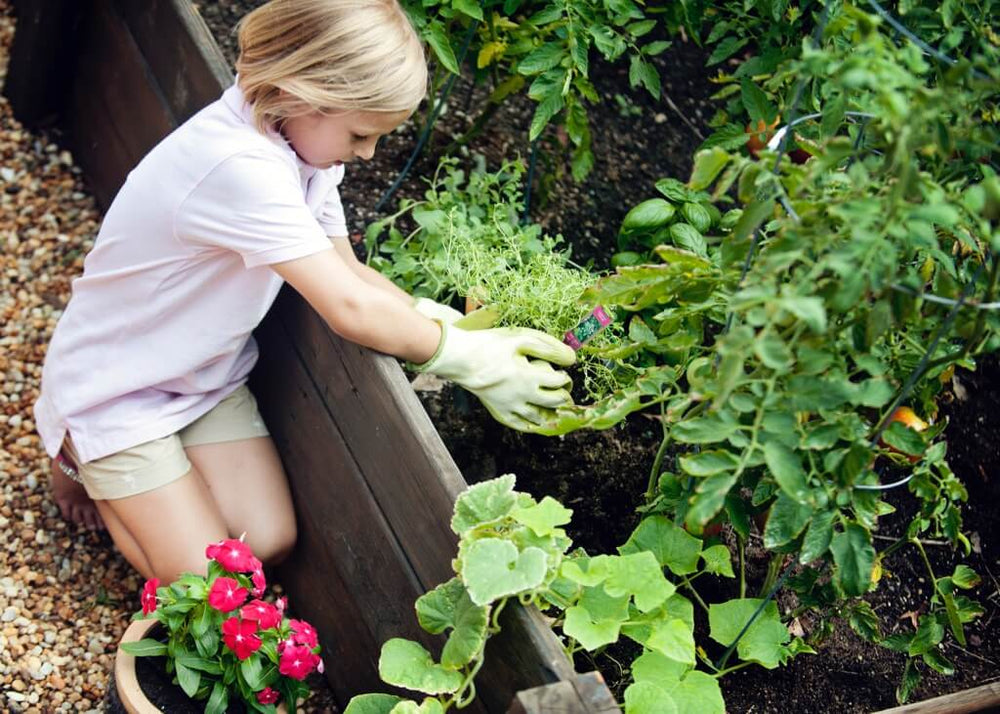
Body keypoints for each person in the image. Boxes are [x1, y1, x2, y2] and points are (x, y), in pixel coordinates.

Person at [35, 0, 574, 584]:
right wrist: (463, 358)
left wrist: (432, 318)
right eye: (362, 134)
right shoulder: (238, 168)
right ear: (303, 95)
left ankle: (134, 481)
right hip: (118, 388)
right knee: (204, 581)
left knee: (269, 540)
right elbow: (346, 307)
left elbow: (348, 273)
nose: (368, 153)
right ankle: (80, 451)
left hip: (199, 374)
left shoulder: (302, 148)